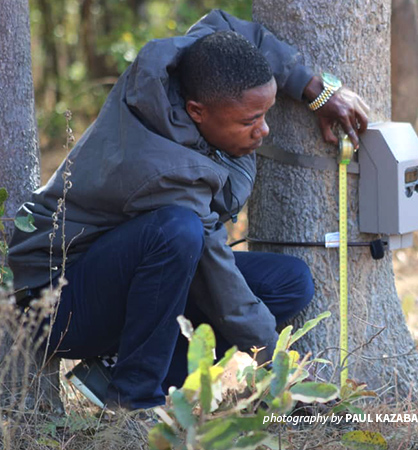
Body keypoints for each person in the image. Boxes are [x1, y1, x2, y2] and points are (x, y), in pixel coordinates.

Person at [8, 10, 369, 411]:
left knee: (289, 282)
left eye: (265, 115)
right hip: (55, 301)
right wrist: (278, 370)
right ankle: (133, 400)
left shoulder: (189, 60)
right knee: (178, 231)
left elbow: (231, 28)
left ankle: (117, 368)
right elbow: (220, 280)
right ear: (197, 111)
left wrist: (315, 90)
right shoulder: (167, 171)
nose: (264, 130)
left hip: (125, 266)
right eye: (251, 119)